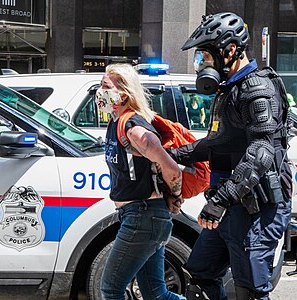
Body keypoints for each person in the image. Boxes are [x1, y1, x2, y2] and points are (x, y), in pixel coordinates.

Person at [168, 12, 292, 300]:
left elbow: (262, 151)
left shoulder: (257, 89)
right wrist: (168, 154)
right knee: (199, 275)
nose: (201, 66)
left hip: (257, 208)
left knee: (249, 290)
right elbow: (216, 144)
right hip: (230, 203)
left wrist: (221, 201)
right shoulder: (230, 90)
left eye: (205, 57)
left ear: (230, 50)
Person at [95, 63, 186, 300]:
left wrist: (175, 196)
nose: (99, 92)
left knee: (111, 289)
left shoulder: (133, 128)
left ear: (124, 94)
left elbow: (172, 169)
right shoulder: (115, 122)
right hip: (141, 216)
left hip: (143, 217)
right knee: (157, 295)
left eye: (105, 87)